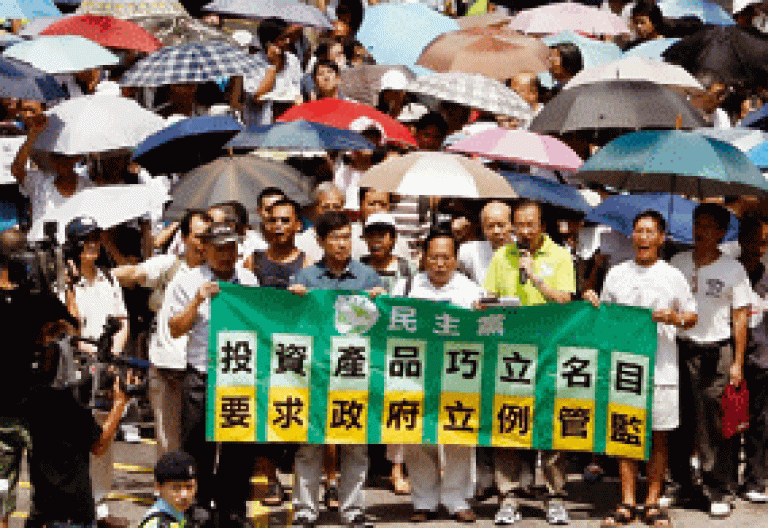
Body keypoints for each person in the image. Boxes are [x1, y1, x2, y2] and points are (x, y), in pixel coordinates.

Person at [583, 210, 697, 528]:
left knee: (659, 437)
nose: (643, 238)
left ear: (662, 238)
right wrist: (592, 301)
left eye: (650, 232)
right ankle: (626, 501)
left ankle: (652, 503)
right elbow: (604, 316)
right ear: (632, 236)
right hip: (625, 369)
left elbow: (691, 316)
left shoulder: (673, 275)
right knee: (625, 434)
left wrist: (673, 318)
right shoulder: (617, 273)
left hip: (662, 368)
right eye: (638, 231)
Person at [288, 210, 384, 528]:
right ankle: (305, 510)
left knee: (355, 444)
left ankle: (353, 509)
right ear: (320, 241)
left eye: (346, 237)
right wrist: (295, 300)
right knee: (309, 443)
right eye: (335, 238)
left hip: (353, 371)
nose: (342, 244)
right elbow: (293, 326)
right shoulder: (306, 278)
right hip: (314, 372)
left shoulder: (368, 278)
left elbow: (382, 326)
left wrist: (381, 302)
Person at [484, 199, 576, 525]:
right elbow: (489, 296)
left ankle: (555, 496)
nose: (522, 231)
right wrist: (487, 304)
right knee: (509, 421)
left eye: (529, 225)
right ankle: (508, 497)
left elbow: (566, 300)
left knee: (549, 424)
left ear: (543, 226)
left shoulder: (560, 256)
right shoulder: (502, 256)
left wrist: (535, 278)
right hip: (511, 352)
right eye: (517, 224)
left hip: (550, 351)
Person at [166, 223, 259, 523]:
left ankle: (232, 510)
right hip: (202, 375)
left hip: (238, 376)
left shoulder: (248, 279)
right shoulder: (187, 281)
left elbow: (262, 321)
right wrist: (197, 301)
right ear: (205, 249)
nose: (224, 254)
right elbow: (175, 328)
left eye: (229, 247)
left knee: (238, 449)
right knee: (197, 451)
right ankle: (198, 510)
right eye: (218, 248)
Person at [391, 229, 484, 523]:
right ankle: (424, 501)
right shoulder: (405, 288)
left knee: (457, 435)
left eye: (446, 257)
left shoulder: (472, 292)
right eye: (434, 257)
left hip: (458, 374)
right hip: (415, 374)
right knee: (417, 436)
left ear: (456, 260)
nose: (440, 264)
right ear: (423, 258)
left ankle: (457, 500)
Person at [669, 203, 751, 517]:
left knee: (715, 425)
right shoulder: (677, 261)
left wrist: (737, 363)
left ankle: (720, 489)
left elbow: (740, 317)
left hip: (717, 351)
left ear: (720, 232)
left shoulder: (732, 269)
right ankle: (683, 485)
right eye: (697, 224)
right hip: (682, 347)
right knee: (682, 421)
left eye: (708, 226)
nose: (700, 231)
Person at [113, 210, 213, 456]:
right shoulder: (169, 265)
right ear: (185, 238)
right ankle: (168, 492)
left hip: (205, 370)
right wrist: (101, 275)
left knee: (204, 442)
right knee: (168, 441)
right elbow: (134, 274)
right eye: (200, 237)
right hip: (168, 366)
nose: (204, 243)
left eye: (209, 237)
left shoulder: (221, 273)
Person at [360, 212, 415, 496]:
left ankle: (397, 469)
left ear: (393, 238)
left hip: (396, 345)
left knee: (397, 406)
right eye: (372, 235)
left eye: (383, 235)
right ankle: (364, 468)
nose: (377, 241)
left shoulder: (407, 269)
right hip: (364, 345)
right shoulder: (358, 268)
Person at [11, 108, 92, 228]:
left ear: (76, 158)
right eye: (56, 156)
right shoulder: (38, 181)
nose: (61, 161)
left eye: (67, 157)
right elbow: (17, 169)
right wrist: (33, 134)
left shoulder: (87, 187)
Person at [734, 214, 768, 503]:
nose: (758, 247)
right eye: (754, 240)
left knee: (760, 422)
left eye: (764, 242)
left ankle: (755, 480)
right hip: (731, 359)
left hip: (762, 360)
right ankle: (726, 479)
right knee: (731, 421)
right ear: (741, 240)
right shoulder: (732, 274)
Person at [242, 18, 303, 126]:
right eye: (283, 38)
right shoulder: (253, 62)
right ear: (269, 42)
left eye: (288, 37)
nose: (288, 41)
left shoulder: (293, 61)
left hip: (287, 124)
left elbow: (296, 91)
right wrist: (273, 65)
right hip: (261, 126)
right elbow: (257, 98)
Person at [458, 201, 513, 286]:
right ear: (483, 229)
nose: (496, 231)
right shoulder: (470, 251)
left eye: (501, 225)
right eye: (490, 226)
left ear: (511, 225)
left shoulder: (523, 248)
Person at [138, 451, 198, 528]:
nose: (184, 495)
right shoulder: (157, 524)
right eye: (176, 488)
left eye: (189, 487)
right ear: (158, 486)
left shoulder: (182, 514)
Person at [352, 188, 410, 262]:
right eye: (371, 204)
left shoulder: (400, 243)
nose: (377, 209)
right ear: (360, 205)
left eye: (383, 205)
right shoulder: (349, 237)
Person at [296, 182, 346, 265]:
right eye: (325, 207)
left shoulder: (354, 238)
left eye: (336, 207)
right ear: (315, 208)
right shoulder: (300, 242)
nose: (331, 212)